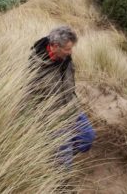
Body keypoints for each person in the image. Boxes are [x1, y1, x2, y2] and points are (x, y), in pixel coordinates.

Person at [28, 26, 95, 161]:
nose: (70, 52)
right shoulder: (36, 67)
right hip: (53, 117)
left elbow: (71, 84)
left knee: (88, 137)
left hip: (72, 108)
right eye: (67, 49)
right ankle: (61, 164)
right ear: (54, 46)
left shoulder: (67, 59)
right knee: (65, 159)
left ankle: (64, 154)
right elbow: (29, 97)